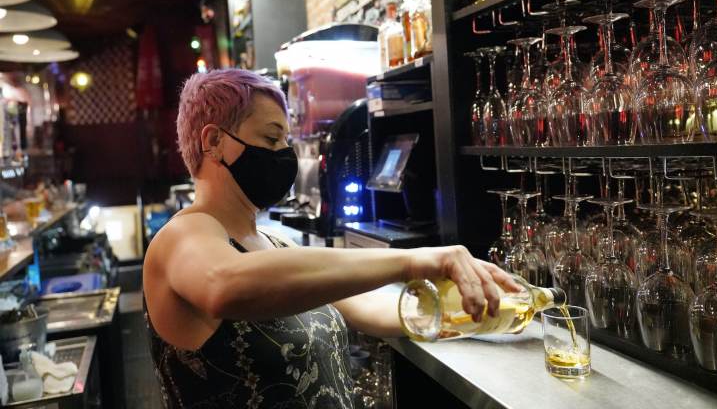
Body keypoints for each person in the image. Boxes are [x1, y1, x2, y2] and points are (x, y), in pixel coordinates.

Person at [143, 68, 519, 408]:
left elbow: (372, 311)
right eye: (271, 138)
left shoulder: (277, 246)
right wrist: (415, 260)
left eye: (286, 141)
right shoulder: (182, 235)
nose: (284, 154)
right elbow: (224, 283)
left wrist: (482, 306)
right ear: (213, 142)